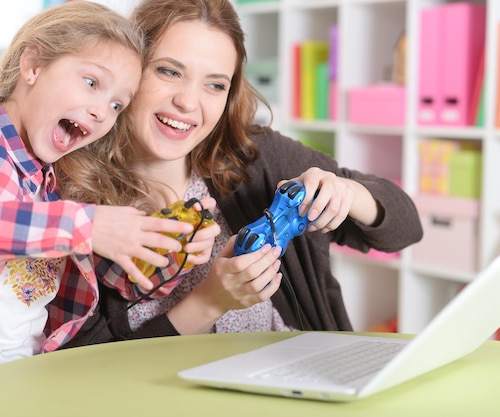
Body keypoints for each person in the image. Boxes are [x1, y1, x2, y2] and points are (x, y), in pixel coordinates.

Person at [56, 0, 423, 346]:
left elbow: (406, 229)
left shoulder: (254, 156)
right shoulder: (73, 200)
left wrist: (348, 193)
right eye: (169, 71)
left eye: (215, 84)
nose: (188, 102)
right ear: (132, 68)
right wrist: (209, 303)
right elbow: (92, 363)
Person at [0, 1, 218, 387]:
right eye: (92, 83)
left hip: (18, 384)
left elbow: (128, 282)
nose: (102, 113)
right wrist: (87, 226)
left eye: (116, 105)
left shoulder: (57, 189)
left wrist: (175, 247)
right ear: (33, 65)